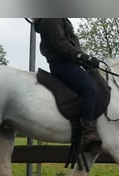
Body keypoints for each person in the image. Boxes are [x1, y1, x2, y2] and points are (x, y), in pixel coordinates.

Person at [33, 18, 101, 151]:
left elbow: (69, 44)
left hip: (69, 63)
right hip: (62, 64)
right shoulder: (52, 17)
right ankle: (87, 133)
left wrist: (83, 61)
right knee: (90, 89)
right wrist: (82, 57)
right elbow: (60, 43)